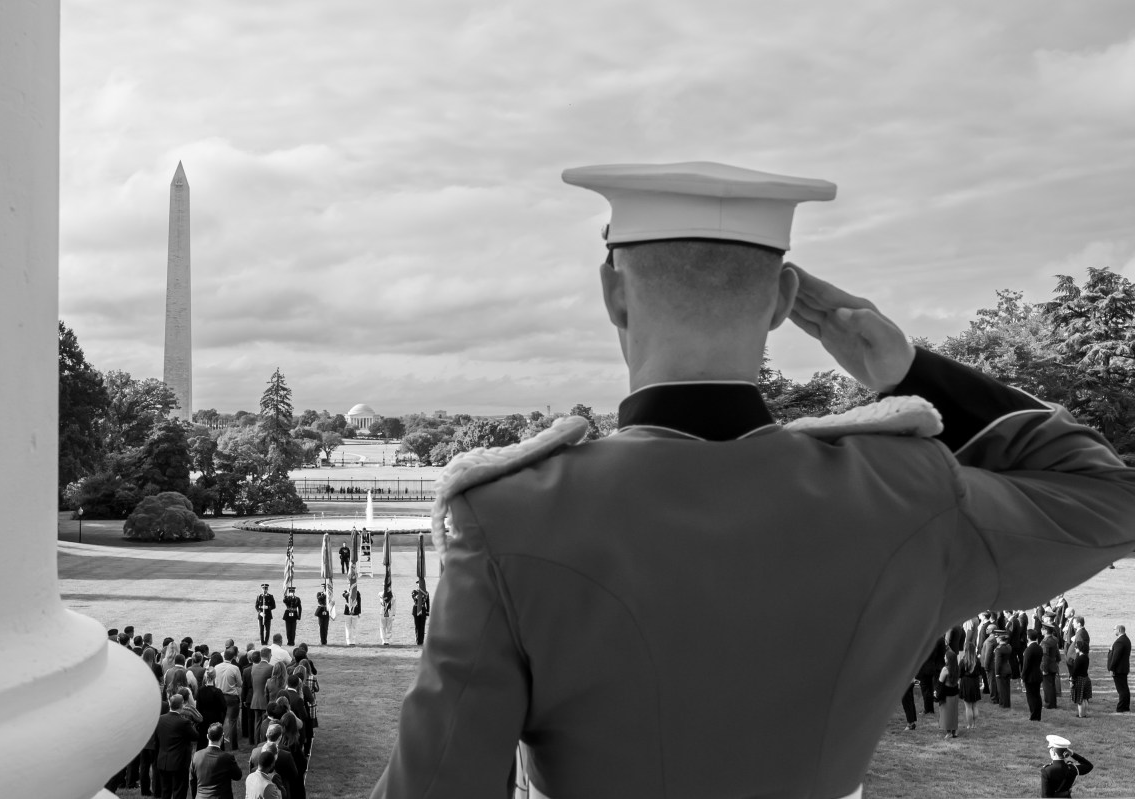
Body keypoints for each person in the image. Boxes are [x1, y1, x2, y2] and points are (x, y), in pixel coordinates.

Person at [370, 161, 1135, 798]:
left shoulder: (509, 513)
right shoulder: (908, 490)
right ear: (780, 302)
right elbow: (1109, 499)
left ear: (613, 293)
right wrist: (908, 372)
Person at [152, 694, 196, 799]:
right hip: (179, 762)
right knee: (179, 791)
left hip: (163, 761)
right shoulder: (184, 722)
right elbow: (195, 736)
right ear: (182, 705)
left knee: (165, 791)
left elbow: (156, 741)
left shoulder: (160, 719)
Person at [189, 723, 242, 799]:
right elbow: (238, 776)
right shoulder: (227, 758)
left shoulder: (196, 756)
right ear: (222, 738)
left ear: (207, 736)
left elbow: (192, 781)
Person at [214, 647, 243, 751]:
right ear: (233, 657)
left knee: (219, 721)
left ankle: (220, 745)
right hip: (231, 697)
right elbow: (240, 684)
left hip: (219, 696)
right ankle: (234, 746)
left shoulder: (216, 667)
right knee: (232, 722)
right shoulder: (234, 668)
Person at [249, 648, 273, 745]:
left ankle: (256, 743)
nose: (271, 657)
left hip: (255, 699)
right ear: (268, 655)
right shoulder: (271, 667)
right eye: (271, 655)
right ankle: (263, 743)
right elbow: (271, 685)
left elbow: (252, 683)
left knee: (257, 723)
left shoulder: (253, 668)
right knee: (264, 724)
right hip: (265, 700)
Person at [935, 649, 960, 739]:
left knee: (946, 713)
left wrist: (936, 693)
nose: (944, 658)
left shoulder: (945, 669)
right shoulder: (957, 668)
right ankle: (955, 731)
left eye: (945, 657)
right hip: (955, 693)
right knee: (954, 713)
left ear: (948, 659)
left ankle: (949, 732)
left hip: (947, 694)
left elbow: (940, 682)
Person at [958, 645, 982, 730]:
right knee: (974, 706)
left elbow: (959, 674)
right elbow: (980, 672)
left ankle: (969, 725)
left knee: (968, 707)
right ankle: (974, 725)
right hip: (975, 682)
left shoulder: (963, 661)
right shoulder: (977, 661)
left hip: (966, 683)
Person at [1023, 630, 1045, 722]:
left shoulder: (1029, 649)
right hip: (1037, 674)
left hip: (1030, 676)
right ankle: (1037, 715)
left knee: (1031, 697)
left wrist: (1023, 677)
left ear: (1028, 637)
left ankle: (1033, 715)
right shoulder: (1039, 647)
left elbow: (1026, 665)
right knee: (1037, 696)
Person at [1068, 640, 1092, 717]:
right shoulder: (1086, 657)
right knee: (1085, 699)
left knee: (1080, 700)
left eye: (1076, 647)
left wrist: (1072, 681)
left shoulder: (1079, 659)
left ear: (1080, 648)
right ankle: (1084, 714)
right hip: (1086, 678)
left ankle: (1081, 715)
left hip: (1079, 680)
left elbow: (1074, 671)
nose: (1075, 648)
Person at [1042, 621, 1062, 710]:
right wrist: (1057, 660)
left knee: (1047, 687)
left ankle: (1048, 703)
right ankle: (1053, 703)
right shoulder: (1054, 639)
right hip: (1053, 665)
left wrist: (1044, 669)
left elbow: (1045, 656)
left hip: (1048, 667)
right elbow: (1057, 653)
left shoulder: (1045, 642)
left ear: (1046, 631)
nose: (1041, 630)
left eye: (1042, 629)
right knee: (1052, 685)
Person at [994, 629, 1013, 709]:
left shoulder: (999, 649)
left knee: (1001, 689)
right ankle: (1007, 703)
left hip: (1001, 671)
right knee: (1007, 688)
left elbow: (997, 663)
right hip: (1008, 668)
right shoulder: (1008, 647)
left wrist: (997, 673)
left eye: (997, 637)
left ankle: (1003, 704)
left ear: (1000, 638)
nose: (996, 639)